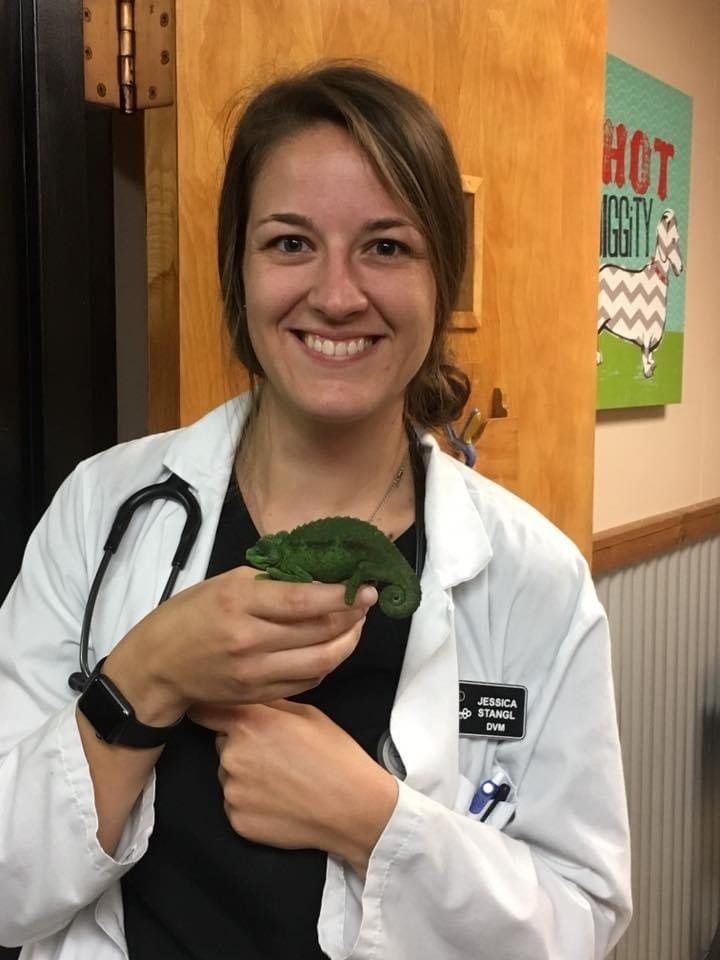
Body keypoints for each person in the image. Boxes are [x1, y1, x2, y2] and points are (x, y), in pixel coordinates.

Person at [0, 63, 631, 959]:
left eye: (386, 246)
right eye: (291, 243)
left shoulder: (534, 579)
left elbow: (580, 922)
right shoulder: (103, 511)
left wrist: (374, 824)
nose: (337, 294)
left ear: (442, 277)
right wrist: (145, 680)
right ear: (238, 271)